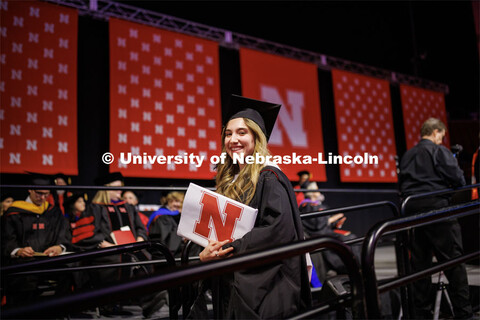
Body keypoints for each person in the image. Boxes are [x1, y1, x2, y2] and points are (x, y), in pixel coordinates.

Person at [196, 95, 311, 318]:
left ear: (256, 137)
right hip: (237, 274)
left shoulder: (269, 177)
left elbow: (278, 230)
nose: (232, 140)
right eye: (228, 134)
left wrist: (229, 248)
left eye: (242, 132)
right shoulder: (231, 181)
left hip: (267, 283)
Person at [399, 118, 472, 319]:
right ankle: (464, 314)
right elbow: (458, 179)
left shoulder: (408, 155)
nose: (442, 140)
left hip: (411, 215)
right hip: (437, 211)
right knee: (453, 263)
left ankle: (421, 314)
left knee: (419, 267)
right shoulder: (440, 151)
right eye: (441, 135)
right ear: (435, 132)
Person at [1, 173, 72, 307]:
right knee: (26, 275)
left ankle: (57, 311)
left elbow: (64, 233)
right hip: (23, 261)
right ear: (30, 189)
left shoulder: (53, 211)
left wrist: (59, 247)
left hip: (48, 259)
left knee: (70, 270)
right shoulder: (15, 212)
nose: (43, 197)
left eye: (46, 194)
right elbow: (6, 239)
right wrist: (18, 250)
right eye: (39, 193)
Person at [148, 191, 185, 257]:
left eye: (180, 202)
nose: (178, 204)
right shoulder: (162, 216)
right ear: (169, 201)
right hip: (165, 253)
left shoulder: (177, 215)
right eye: (176, 201)